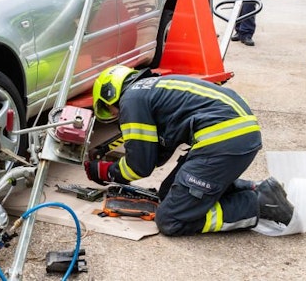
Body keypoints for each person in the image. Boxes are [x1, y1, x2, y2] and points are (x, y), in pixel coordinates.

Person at [83, 66, 294, 236]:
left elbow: (140, 166)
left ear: (110, 93)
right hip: (235, 136)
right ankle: (257, 187)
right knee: (168, 193)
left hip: (222, 141)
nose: (113, 114)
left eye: (107, 108)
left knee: (170, 219)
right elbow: (157, 155)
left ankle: (258, 204)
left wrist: (105, 171)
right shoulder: (155, 88)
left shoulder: (131, 100)